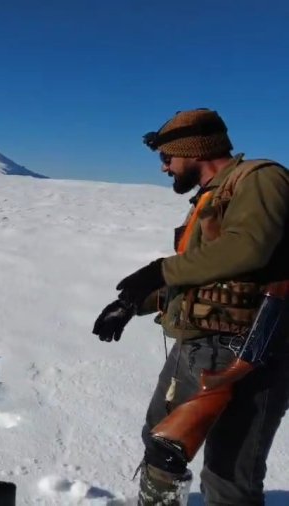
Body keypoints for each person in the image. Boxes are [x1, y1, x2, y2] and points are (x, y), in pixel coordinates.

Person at [91, 108, 289, 505]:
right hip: (196, 345)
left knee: (229, 472)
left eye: (168, 158)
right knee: (163, 442)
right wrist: (135, 303)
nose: (164, 168)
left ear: (195, 151)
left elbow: (246, 249)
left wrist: (159, 271)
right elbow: (207, 278)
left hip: (248, 352)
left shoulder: (261, 179)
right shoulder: (214, 196)